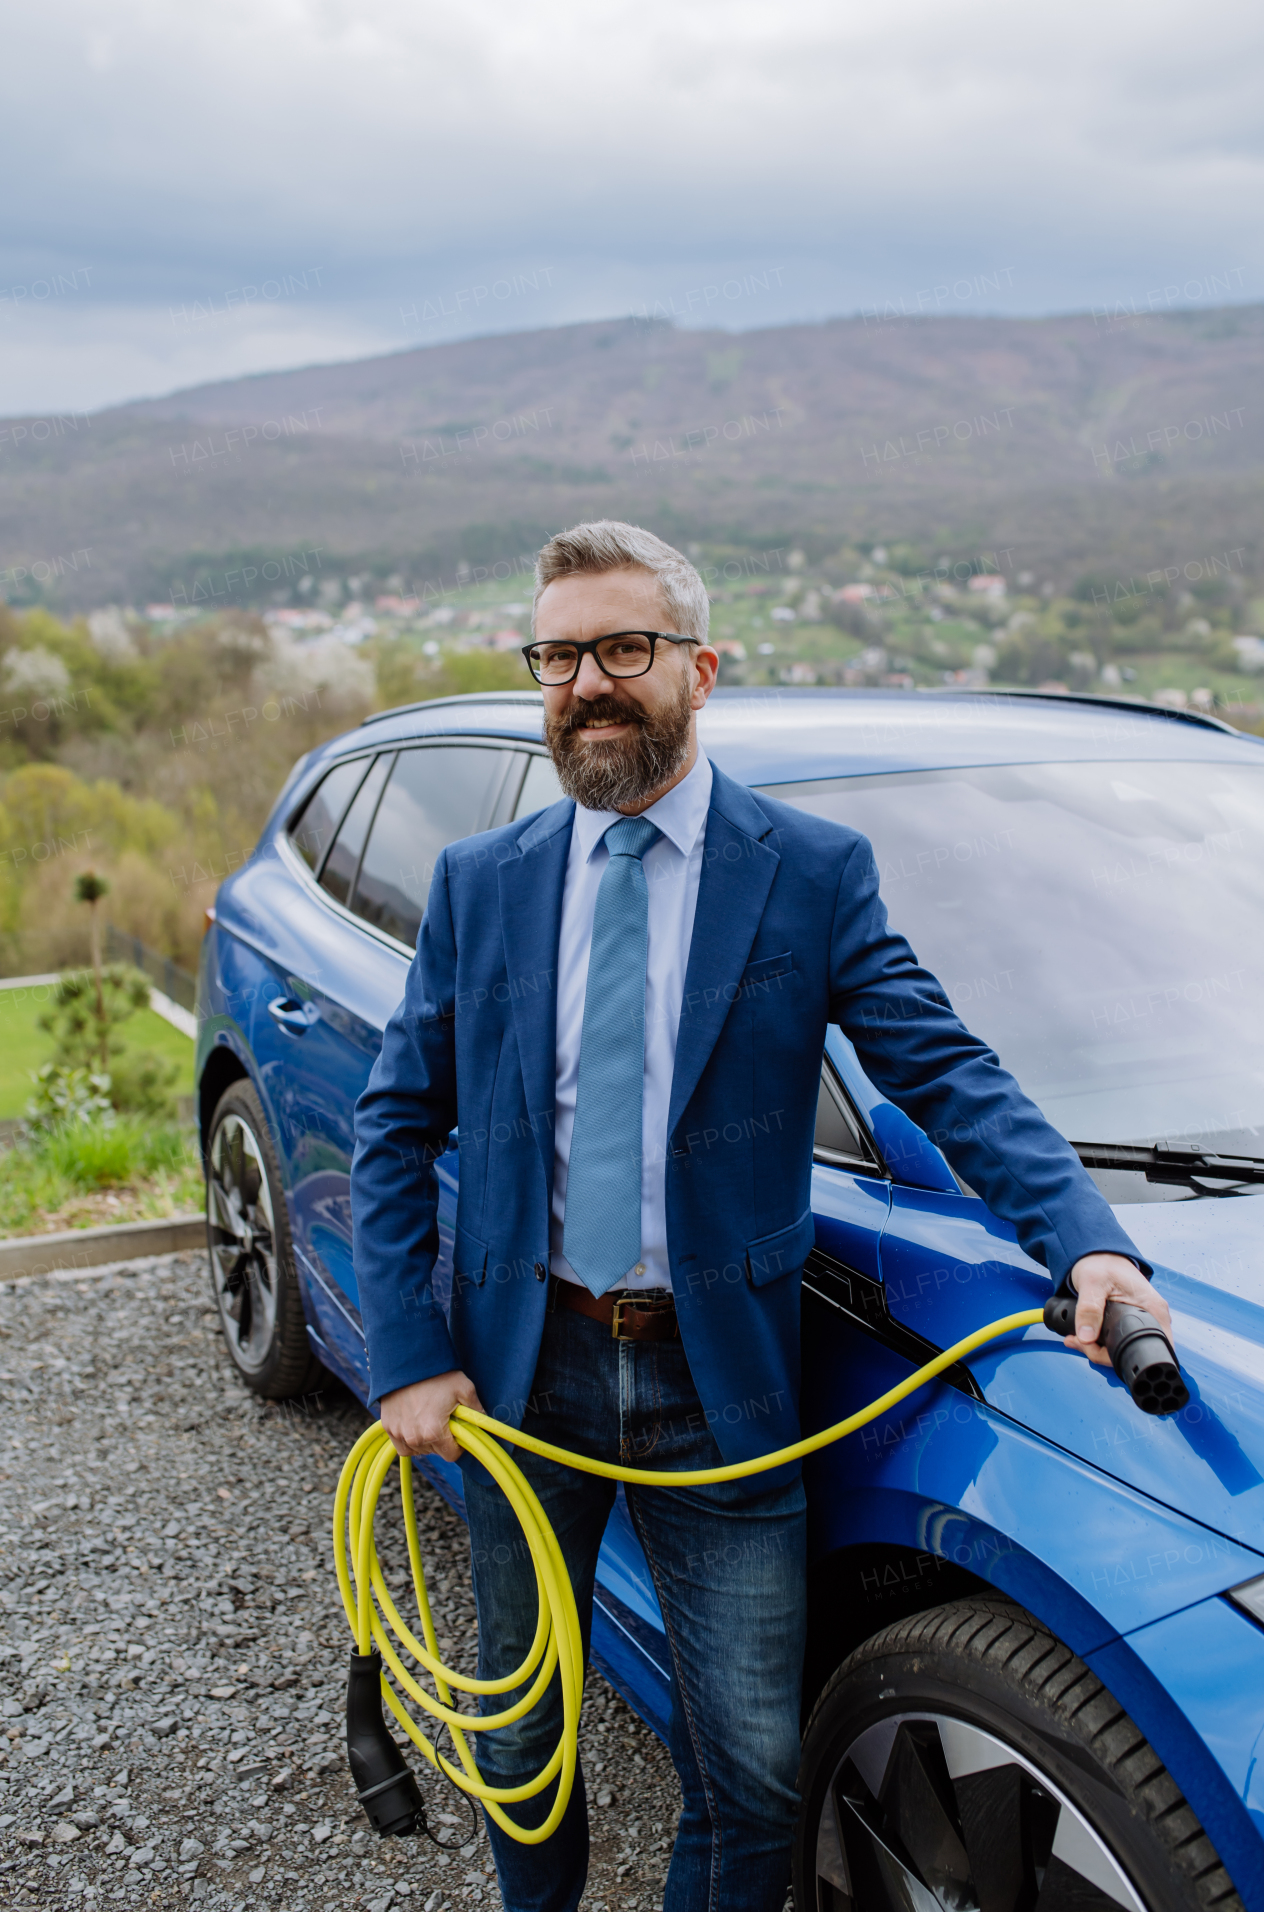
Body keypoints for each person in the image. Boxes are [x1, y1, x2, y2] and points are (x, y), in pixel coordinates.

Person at [350, 520, 1168, 1912]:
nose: (587, 684)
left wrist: (1085, 1239)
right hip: (515, 1366)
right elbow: (393, 1121)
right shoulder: (480, 885)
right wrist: (409, 1354)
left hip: (714, 1376)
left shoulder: (809, 870)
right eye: (557, 655)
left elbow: (945, 1069)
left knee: (752, 1772)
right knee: (516, 1725)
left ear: (700, 667)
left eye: (622, 648)